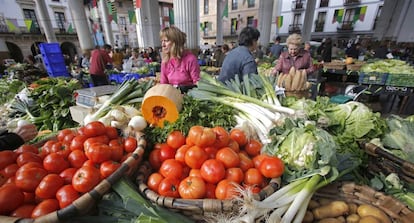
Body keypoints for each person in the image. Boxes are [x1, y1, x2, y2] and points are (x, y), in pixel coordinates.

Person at [159, 26, 200, 93]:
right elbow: (163, 85)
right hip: (171, 97)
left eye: (166, 41)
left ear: (175, 42)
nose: (163, 44)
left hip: (189, 97)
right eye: (162, 41)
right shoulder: (165, 62)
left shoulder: (190, 59)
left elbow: (198, 84)